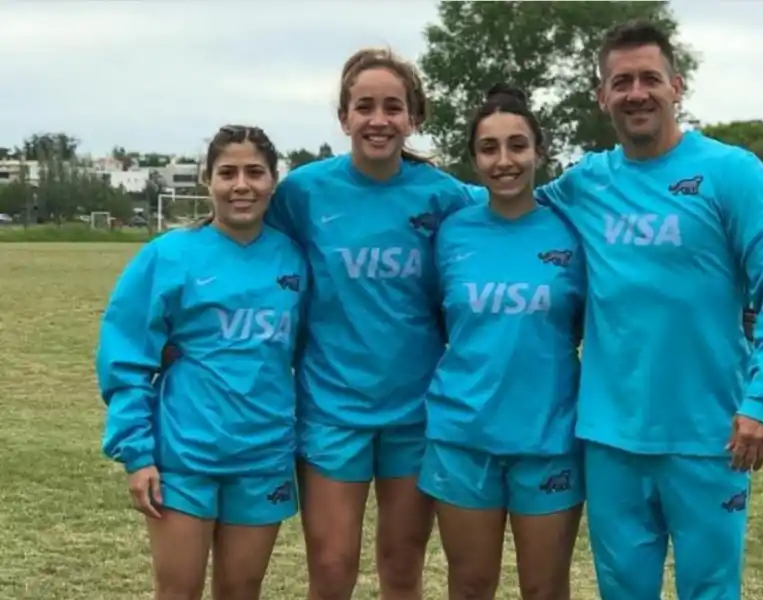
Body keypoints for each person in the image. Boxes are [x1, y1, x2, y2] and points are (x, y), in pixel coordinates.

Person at [535, 21, 763, 600]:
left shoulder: (732, 172)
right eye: (622, 81)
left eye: (650, 78)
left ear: (677, 86)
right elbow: (507, 211)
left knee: (710, 589)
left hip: (710, 436)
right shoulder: (586, 182)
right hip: (610, 439)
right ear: (602, 95)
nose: (637, 92)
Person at [264, 48, 479, 600]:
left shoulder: (444, 196)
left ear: (413, 117)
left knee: (401, 566)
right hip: (332, 409)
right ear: (344, 117)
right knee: (332, 570)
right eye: (364, 106)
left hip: (416, 409)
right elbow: (242, 243)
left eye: (392, 107)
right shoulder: (304, 192)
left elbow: (511, 213)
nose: (378, 120)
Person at [97, 125, 309, 600]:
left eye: (255, 172)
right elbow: (127, 357)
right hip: (185, 456)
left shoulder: (294, 259)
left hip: (264, 455)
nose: (241, 185)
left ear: (273, 181)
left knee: (241, 590)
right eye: (227, 172)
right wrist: (137, 452)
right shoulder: (168, 256)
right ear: (207, 182)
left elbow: (304, 348)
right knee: (179, 591)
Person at [418, 83, 585, 600]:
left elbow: (585, 321)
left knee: (545, 588)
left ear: (539, 150)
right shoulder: (451, 233)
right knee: (469, 586)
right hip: (463, 437)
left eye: (517, 145)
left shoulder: (571, 229)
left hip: (549, 438)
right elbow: (438, 317)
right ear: (473, 159)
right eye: (489, 148)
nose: (504, 160)